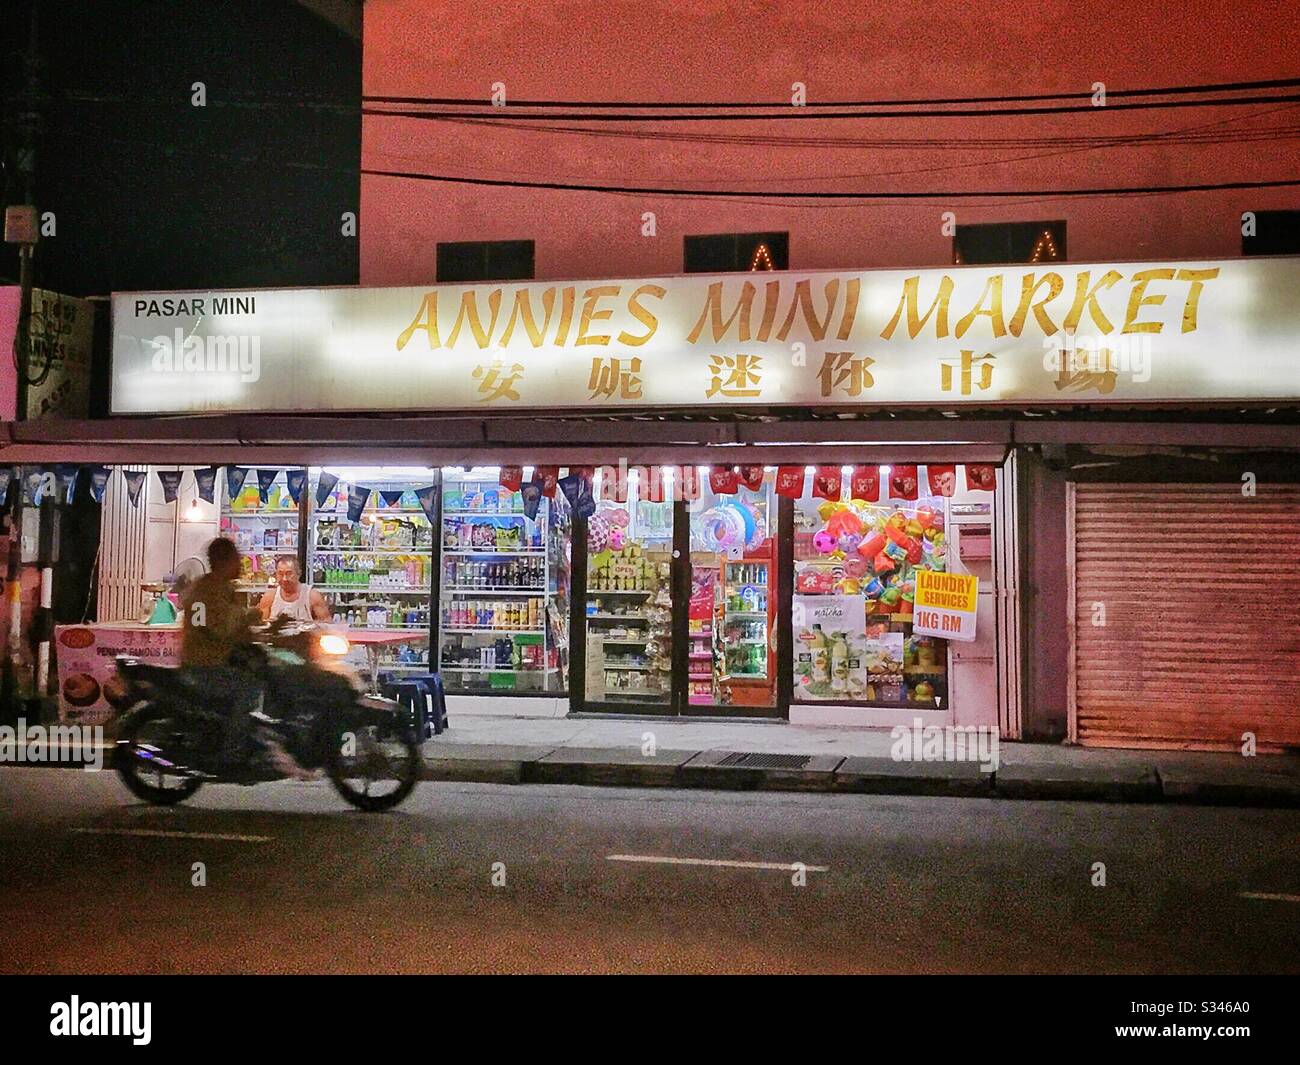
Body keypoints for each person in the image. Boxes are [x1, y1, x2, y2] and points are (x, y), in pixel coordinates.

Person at [181, 537, 263, 767]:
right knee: (249, 688)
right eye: (237, 558)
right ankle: (233, 750)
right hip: (204, 664)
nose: (241, 563)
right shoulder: (205, 591)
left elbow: (235, 626)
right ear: (223, 561)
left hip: (219, 660)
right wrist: (251, 616)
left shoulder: (224, 588)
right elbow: (219, 628)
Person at [258, 556, 331, 623]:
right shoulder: (269, 597)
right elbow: (261, 625)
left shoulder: (312, 596)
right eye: (280, 574)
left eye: (289, 574)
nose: (284, 579)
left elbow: (327, 624)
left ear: (298, 574)